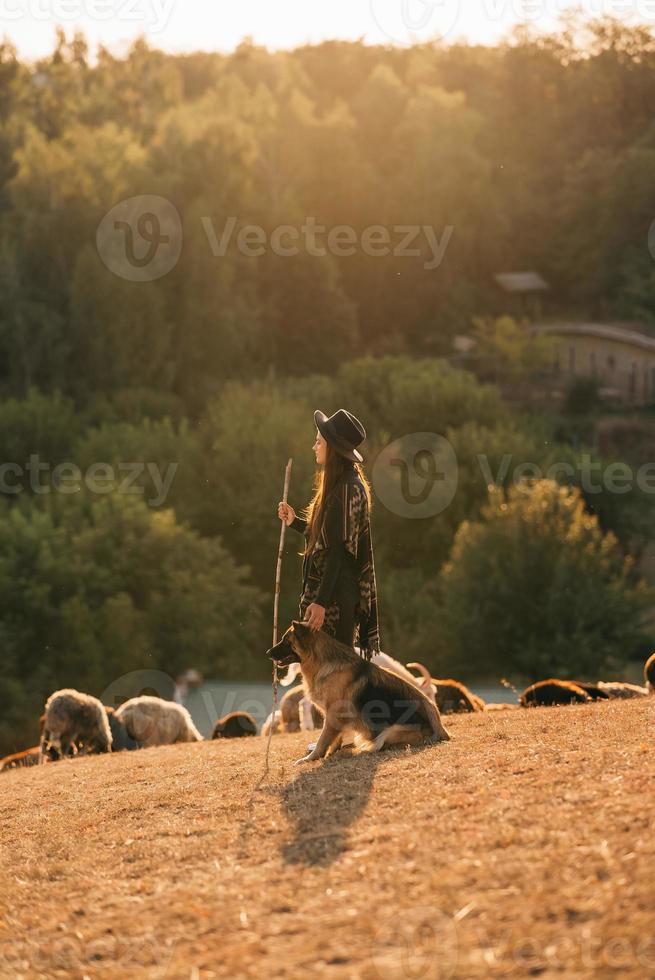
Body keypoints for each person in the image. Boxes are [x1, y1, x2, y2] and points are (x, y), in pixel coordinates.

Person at [277, 408, 381, 659]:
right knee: (328, 678)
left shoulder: (345, 490)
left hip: (335, 601)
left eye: (318, 442)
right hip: (337, 596)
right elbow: (328, 537)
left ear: (332, 448)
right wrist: (295, 523)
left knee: (332, 676)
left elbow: (338, 553)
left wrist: (321, 602)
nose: (314, 447)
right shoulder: (347, 485)